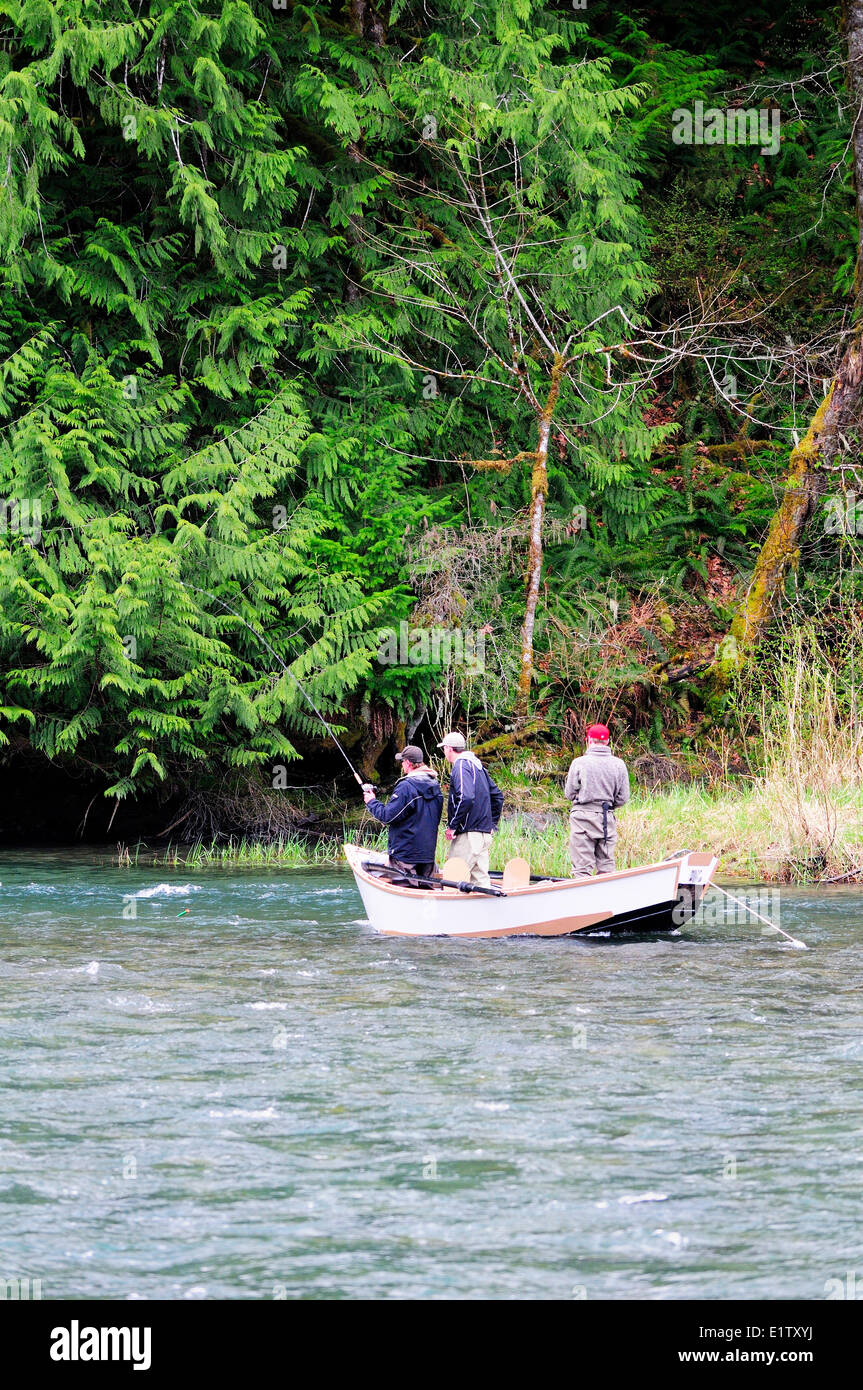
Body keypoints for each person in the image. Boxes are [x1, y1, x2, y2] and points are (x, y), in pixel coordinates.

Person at [362, 745, 443, 884]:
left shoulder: (407, 786)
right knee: (425, 894)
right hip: (427, 855)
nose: (401, 765)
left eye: (402, 761)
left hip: (405, 855)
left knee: (404, 889)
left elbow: (388, 816)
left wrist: (372, 802)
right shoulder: (435, 785)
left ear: (409, 763)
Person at [437, 731, 504, 888]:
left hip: (468, 835)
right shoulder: (478, 766)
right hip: (483, 835)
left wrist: (452, 826)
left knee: (453, 879)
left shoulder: (460, 765)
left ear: (448, 748)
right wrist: (491, 824)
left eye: (444, 749)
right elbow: (498, 797)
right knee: (480, 882)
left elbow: (465, 797)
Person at [565, 723, 630, 877]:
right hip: (607, 819)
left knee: (581, 869)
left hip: (582, 818)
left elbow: (569, 793)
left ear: (588, 740)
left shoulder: (579, 763)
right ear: (607, 742)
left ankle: (582, 898)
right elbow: (623, 797)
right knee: (606, 867)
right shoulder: (619, 765)